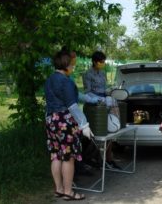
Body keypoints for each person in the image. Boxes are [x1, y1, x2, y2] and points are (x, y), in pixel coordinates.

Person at [44, 49, 94, 201]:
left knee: (56, 155)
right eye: (72, 65)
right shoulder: (66, 81)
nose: (73, 68)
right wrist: (84, 125)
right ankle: (68, 191)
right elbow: (72, 106)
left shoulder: (50, 79)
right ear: (66, 65)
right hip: (64, 120)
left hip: (50, 119)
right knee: (68, 157)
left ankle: (59, 189)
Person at [81, 50, 121, 169]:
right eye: (101, 61)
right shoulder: (87, 74)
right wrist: (98, 99)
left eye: (104, 61)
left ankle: (108, 158)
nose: (103, 63)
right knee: (95, 134)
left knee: (109, 132)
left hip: (104, 103)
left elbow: (104, 89)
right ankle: (90, 158)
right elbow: (87, 92)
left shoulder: (103, 73)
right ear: (94, 61)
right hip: (94, 105)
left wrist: (110, 90)